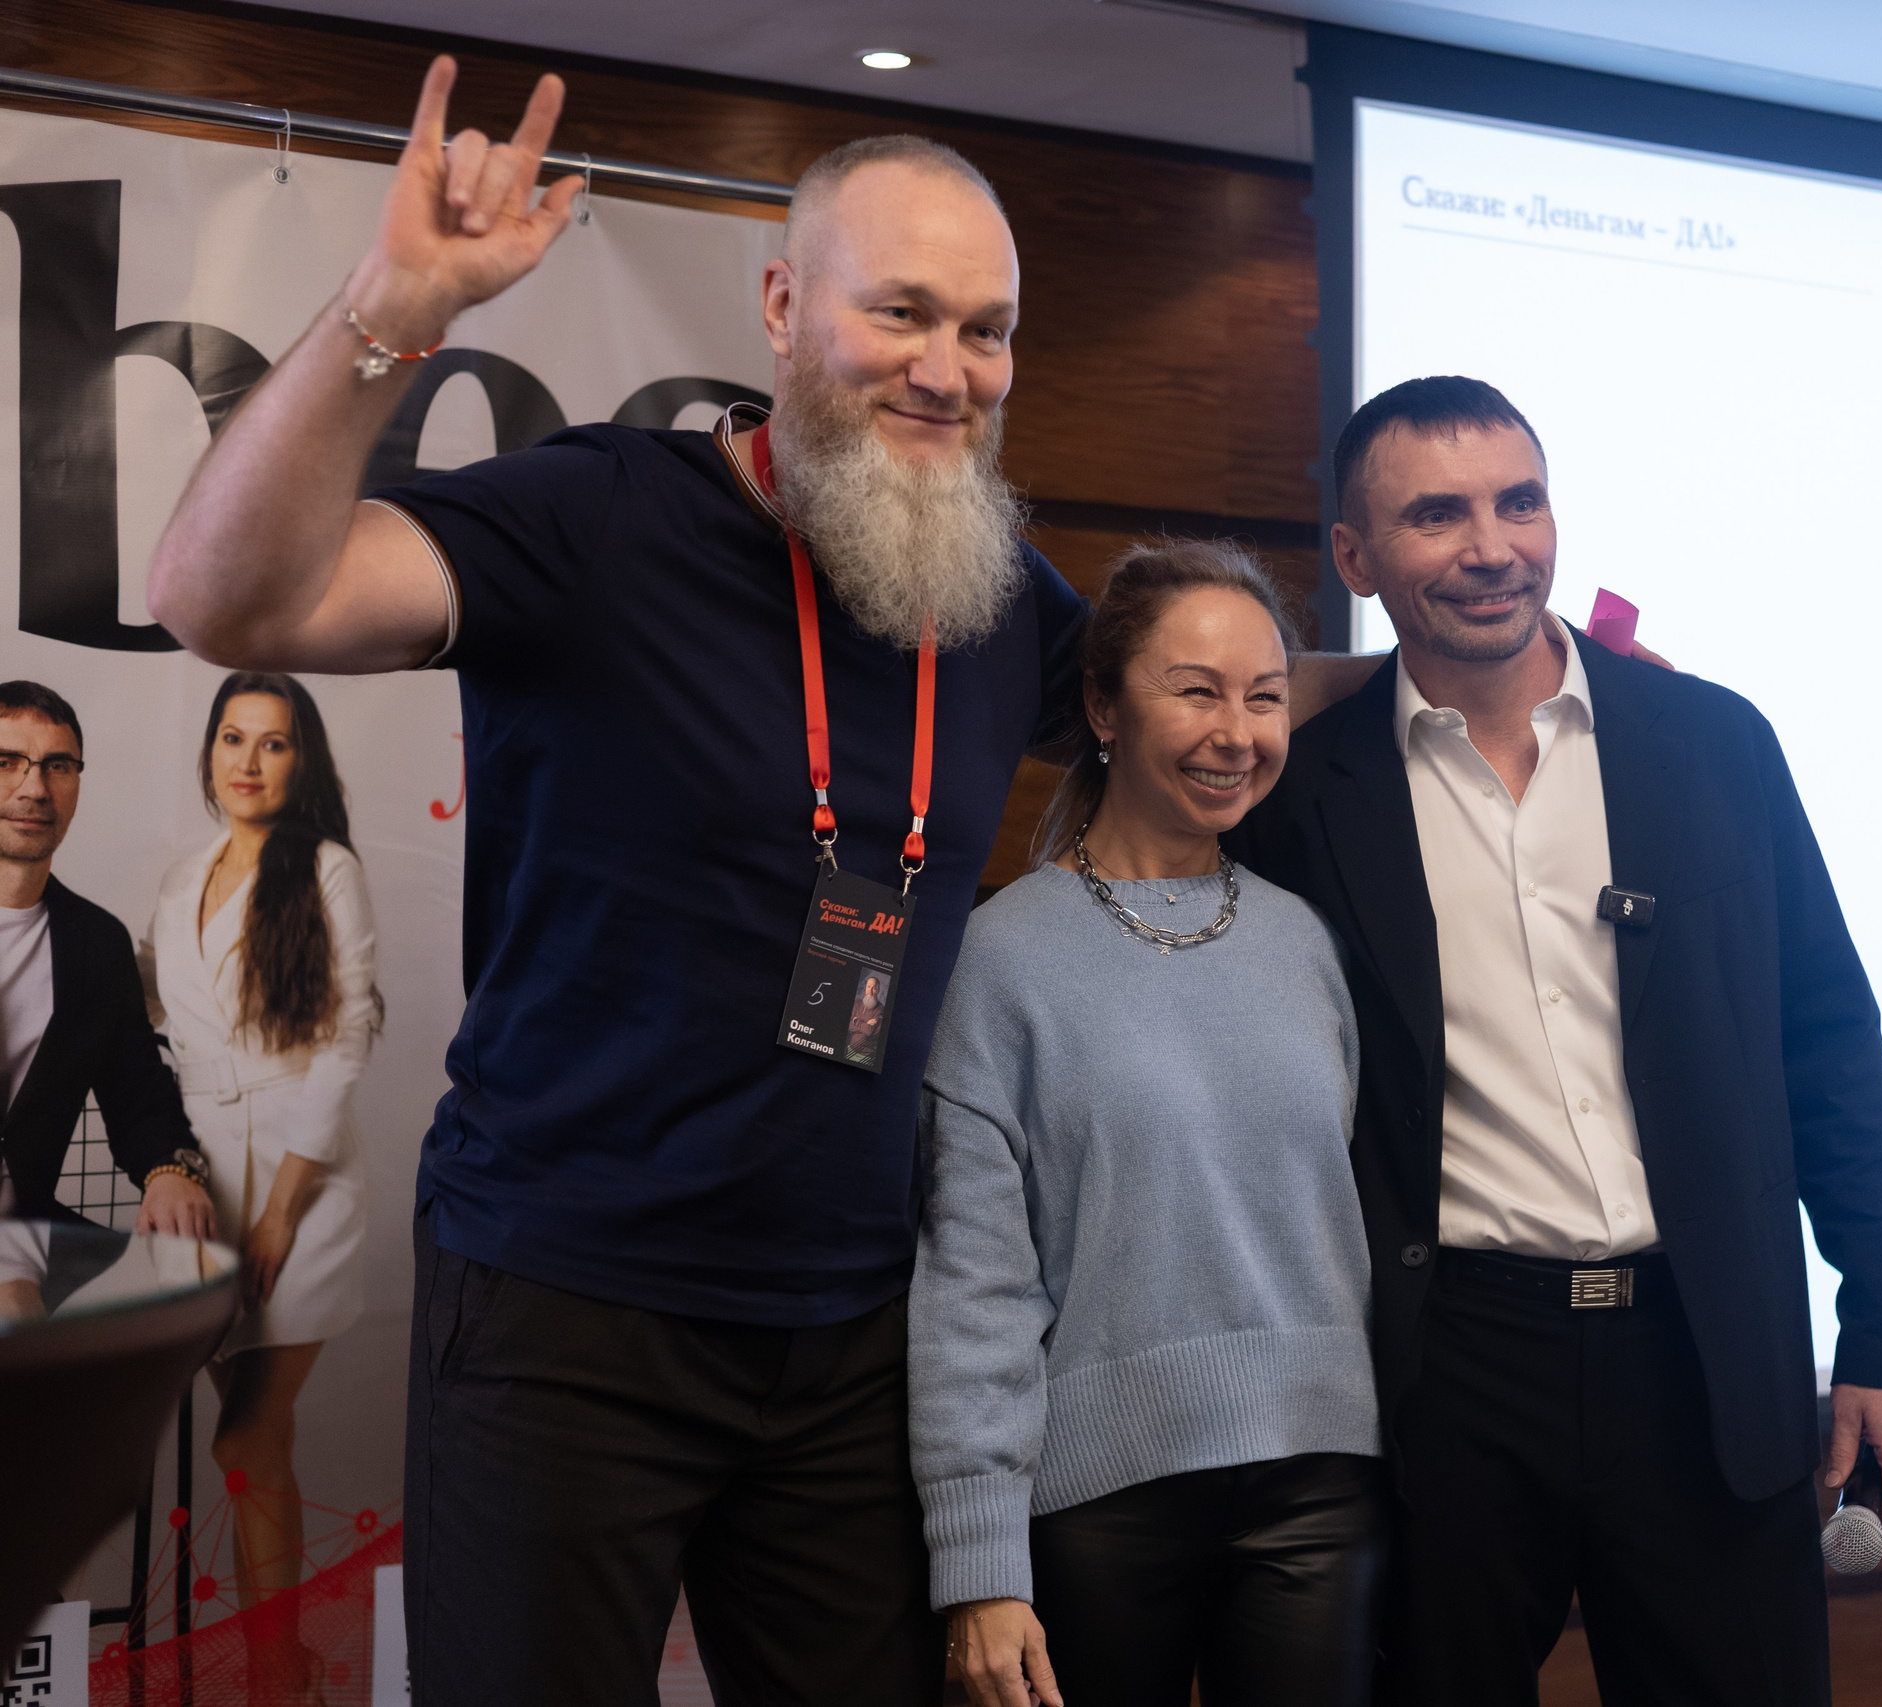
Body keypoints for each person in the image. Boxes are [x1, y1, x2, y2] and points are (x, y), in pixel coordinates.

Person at [143, 59, 1370, 1706]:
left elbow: (1220, 702)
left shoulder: (993, 591)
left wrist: (1469, 641)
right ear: (786, 304)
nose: (950, 370)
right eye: (906, 314)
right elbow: (222, 597)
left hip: (857, 1331)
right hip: (570, 1314)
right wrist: (393, 306)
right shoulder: (593, 520)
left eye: (988, 330)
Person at [1226, 377, 1882, 1706]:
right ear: (1355, 556)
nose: (1493, 544)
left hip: (1703, 1357)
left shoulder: (1714, 742)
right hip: (1450, 1380)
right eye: (1437, 515)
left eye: (1520, 500)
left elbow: (1831, 1046)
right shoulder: (1302, 797)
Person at [913, 543, 1381, 1707]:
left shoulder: (1309, 945)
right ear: (1101, 706)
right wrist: (978, 1566)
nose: (1238, 732)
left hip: (1325, 1487)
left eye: (1265, 697)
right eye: (1197, 690)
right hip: (1094, 1505)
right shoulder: (1002, 959)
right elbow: (973, 1286)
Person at [136, 672, 379, 1695]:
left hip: (298, 1187)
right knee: (256, 1454)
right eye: (232, 738)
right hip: (200, 1192)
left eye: (273, 743)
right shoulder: (184, 869)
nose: (247, 760)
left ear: (303, 760)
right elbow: (151, 1012)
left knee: (245, 1438)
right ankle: (292, 1669)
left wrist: (281, 1211)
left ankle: (275, 1676)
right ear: (207, 755)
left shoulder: (326, 868)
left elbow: (344, 1041)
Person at [0, 681, 216, 1282]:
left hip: (26, 1233)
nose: (34, 788)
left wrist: (172, 1172)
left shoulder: (95, 943)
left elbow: (137, 1091)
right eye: (6, 762)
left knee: (176, 1290)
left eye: (58, 766)